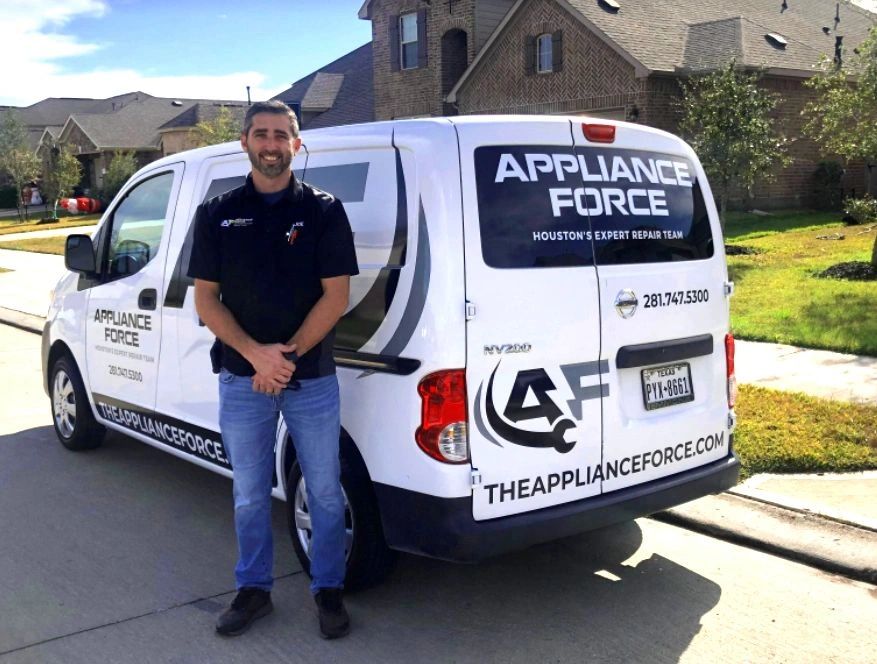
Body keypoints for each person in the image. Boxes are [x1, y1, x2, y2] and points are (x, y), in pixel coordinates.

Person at [187, 100, 359, 639]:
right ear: (245, 142)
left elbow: (336, 297)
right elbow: (207, 302)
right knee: (249, 490)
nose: (270, 143)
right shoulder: (217, 212)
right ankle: (254, 589)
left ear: (297, 145)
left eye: (281, 134)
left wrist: (282, 358)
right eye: (261, 133)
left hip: (310, 378)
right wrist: (257, 355)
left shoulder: (325, 211)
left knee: (326, 490)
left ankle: (328, 589)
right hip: (242, 378)